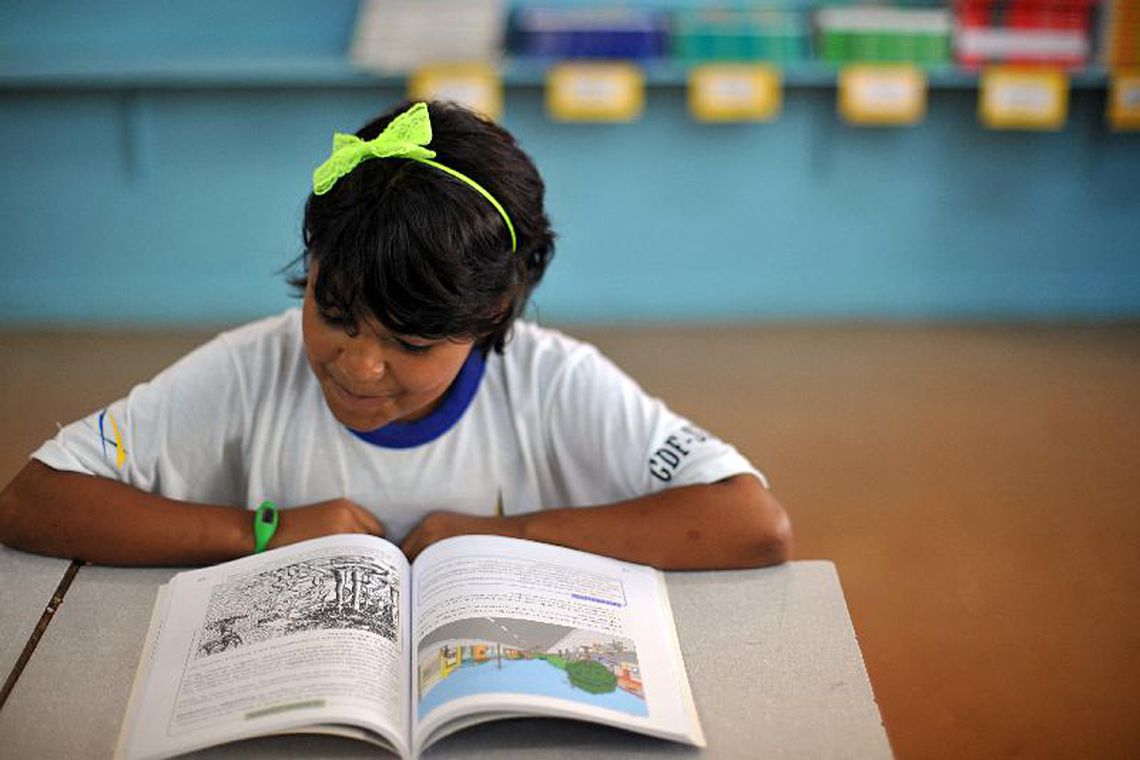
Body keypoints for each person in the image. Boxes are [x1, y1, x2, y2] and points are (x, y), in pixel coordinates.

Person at [0, 100, 791, 569]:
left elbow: (753, 524)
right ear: (312, 266)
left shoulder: (553, 384)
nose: (359, 367)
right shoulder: (252, 370)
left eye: (411, 345)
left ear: (491, 316)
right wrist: (258, 532)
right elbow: (32, 501)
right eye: (335, 315)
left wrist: (505, 536)